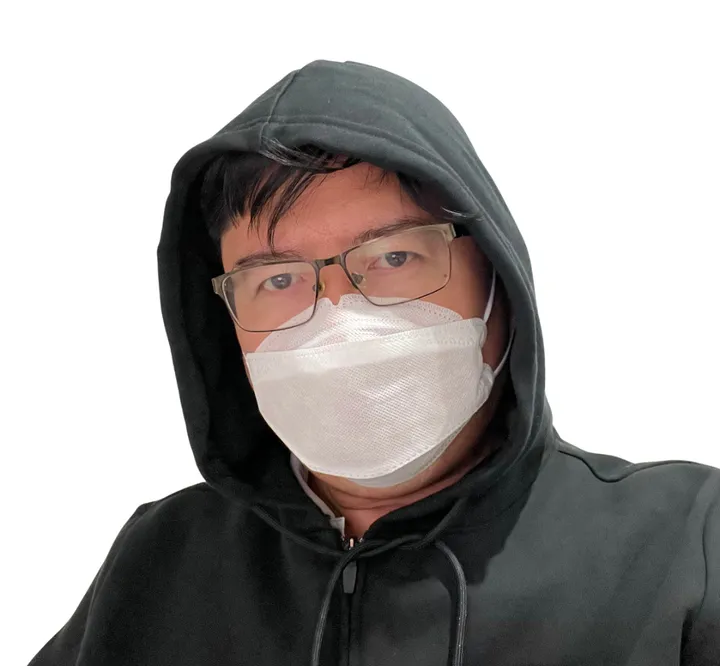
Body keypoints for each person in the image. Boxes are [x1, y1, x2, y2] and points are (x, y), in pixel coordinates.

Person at [29, 60, 718, 666]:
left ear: (498, 283)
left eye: (394, 257)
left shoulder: (684, 544)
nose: (338, 317)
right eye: (278, 279)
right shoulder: (163, 559)